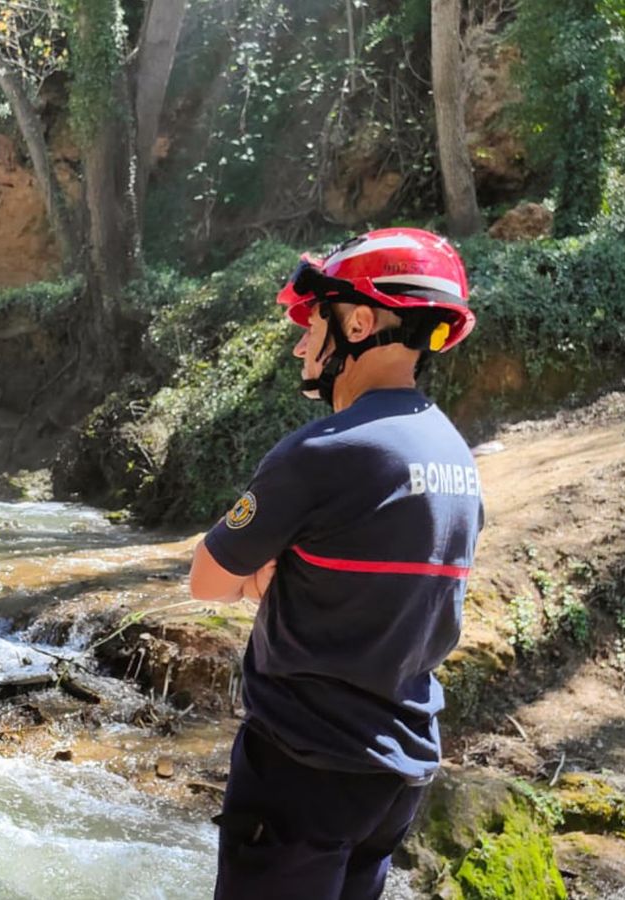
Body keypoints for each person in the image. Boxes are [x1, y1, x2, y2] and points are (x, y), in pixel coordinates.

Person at [188, 227, 484, 900]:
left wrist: (258, 580)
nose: (301, 343)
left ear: (357, 323)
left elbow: (207, 578)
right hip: (394, 774)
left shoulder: (323, 452)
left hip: (302, 766)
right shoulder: (454, 455)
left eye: (313, 322)